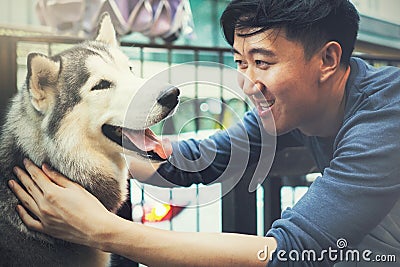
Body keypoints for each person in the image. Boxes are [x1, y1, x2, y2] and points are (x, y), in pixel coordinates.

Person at [8, 0, 400, 266]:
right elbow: (195, 160)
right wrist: (91, 145)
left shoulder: (387, 116)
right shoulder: (294, 109)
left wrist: (101, 228)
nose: (247, 83)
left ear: (327, 59)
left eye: (262, 62)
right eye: (240, 62)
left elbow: (285, 253)